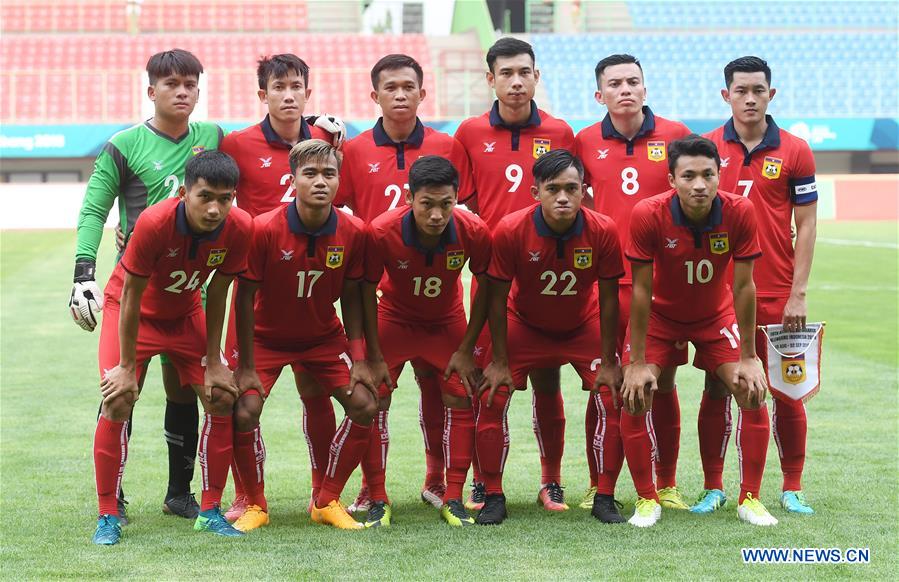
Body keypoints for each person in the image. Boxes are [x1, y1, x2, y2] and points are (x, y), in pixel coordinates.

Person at [70, 49, 223, 522]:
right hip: (135, 291)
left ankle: (180, 495)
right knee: (121, 390)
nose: (183, 91)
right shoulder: (125, 144)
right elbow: (95, 210)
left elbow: (257, 164)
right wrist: (83, 272)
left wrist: (311, 127)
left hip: (188, 296)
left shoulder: (213, 136)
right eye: (172, 83)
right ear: (150, 90)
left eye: (191, 84)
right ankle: (111, 501)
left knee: (185, 395)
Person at [90, 151, 252, 544]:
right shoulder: (154, 222)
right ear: (184, 192)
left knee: (221, 396)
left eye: (225, 198)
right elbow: (130, 296)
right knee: (119, 397)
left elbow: (218, 293)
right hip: (133, 313)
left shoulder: (240, 227)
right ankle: (108, 514)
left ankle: (210, 511)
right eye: (206, 197)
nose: (215, 208)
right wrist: (127, 365)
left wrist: (214, 361)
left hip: (184, 315)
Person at [337, 53, 474, 511]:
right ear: (374, 95)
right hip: (386, 300)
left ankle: (438, 481)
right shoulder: (352, 152)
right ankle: (369, 487)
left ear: (422, 92)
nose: (400, 94)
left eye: (408, 86)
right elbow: (342, 217)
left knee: (446, 392)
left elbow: (463, 217)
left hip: (443, 302)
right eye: (390, 87)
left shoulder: (448, 146)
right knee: (373, 395)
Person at [620, 135, 776, 528]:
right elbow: (640, 289)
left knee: (751, 389)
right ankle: (647, 499)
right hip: (661, 319)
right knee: (635, 392)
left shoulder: (740, 211)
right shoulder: (648, 213)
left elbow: (743, 286)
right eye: (688, 176)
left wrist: (750, 356)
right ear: (671, 179)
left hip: (714, 317)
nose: (700, 184)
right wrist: (636, 362)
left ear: (719, 175)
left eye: (708, 174)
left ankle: (750, 499)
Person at [218, 53, 346, 522]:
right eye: (279, 87)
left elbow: (340, 204)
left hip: (312, 292)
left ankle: (322, 495)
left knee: (317, 393)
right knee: (241, 398)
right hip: (257, 289)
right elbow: (216, 200)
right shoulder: (237, 143)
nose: (288, 95)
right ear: (263, 95)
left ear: (308, 93)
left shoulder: (326, 142)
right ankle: (247, 496)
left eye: (296, 86)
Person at [230, 140, 382, 531]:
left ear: (338, 180)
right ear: (292, 179)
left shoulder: (354, 231)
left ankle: (327, 499)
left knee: (365, 403)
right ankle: (255, 505)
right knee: (242, 410)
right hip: (265, 339)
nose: (320, 181)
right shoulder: (263, 229)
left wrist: (360, 356)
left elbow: (352, 295)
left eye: (328, 174)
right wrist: (244, 364)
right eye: (310, 174)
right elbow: (243, 298)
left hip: (321, 338)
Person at [454, 37, 576, 512]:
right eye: (506, 73)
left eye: (525, 72)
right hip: (493, 279)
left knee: (548, 381)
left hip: (548, 277)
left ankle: (551, 481)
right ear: (491, 79)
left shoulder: (560, 131)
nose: (516, 81)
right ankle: (487, 483)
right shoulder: (468, 133)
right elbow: (463, 205)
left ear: (537, 76)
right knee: (489, 384)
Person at [572, 54, 692, 521]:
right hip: (605, 284)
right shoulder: (584, 141)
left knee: (661, 383)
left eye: (634, 82)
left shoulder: (676, 134)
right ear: (599, 94)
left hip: (663, 287)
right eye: (615, 83)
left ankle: (667, 483)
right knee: (606, 385)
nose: (626, 89)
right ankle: (597, 484)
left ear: (646, 89)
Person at [698, 56, 818, 515]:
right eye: (741, 90)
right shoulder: (706, 148)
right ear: (725, 95)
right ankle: (714, 486)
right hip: (719, 296)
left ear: (772, 94)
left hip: (777, 293)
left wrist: (798, 292)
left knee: (787, 389)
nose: (750, 98)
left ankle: (791, 486)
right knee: (716, 388)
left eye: (759, 90)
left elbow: (806, 225)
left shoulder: (796, 150)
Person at [477, 149, 623, 525]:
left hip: (581, 324)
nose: (563, 197)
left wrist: (609, 361)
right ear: (534, 191)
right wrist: (499, 359)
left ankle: (605, 495)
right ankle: (493, 493)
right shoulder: (510, 229)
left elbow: (609, 299)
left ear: (583, 191)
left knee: (613, 394)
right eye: (553, 188)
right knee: (492, 393)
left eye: (571, 188)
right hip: (524, 323)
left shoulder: (602, 229)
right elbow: (495, 296)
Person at [359, 155, 492, 527]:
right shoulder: (382, 231)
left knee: (460, 394)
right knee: (373, 398)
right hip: (395, 319)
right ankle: (377, 496)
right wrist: (371, 353)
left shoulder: (474, 230)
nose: (436, 215)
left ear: (457, 198)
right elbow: (365, 292)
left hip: (445, 321)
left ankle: (453, 496)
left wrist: (466, 348)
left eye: (445, 204)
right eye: (427, 204)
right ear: (409, 197)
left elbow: (487, 289)